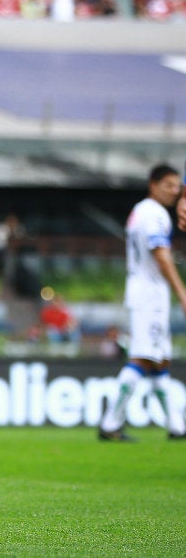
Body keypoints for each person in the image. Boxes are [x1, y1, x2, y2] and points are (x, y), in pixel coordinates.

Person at [99, 164, 186, 442]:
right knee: (142, 357)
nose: (175, 191)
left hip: (145, 291)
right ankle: (110, 423)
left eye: (177, 186)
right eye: (169, 185)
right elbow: (161, 255)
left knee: (159, 360)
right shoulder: (154, 214)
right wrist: (182, 293)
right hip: (150, 294)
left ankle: (177, 427)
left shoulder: (140, 211)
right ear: (153, 184)